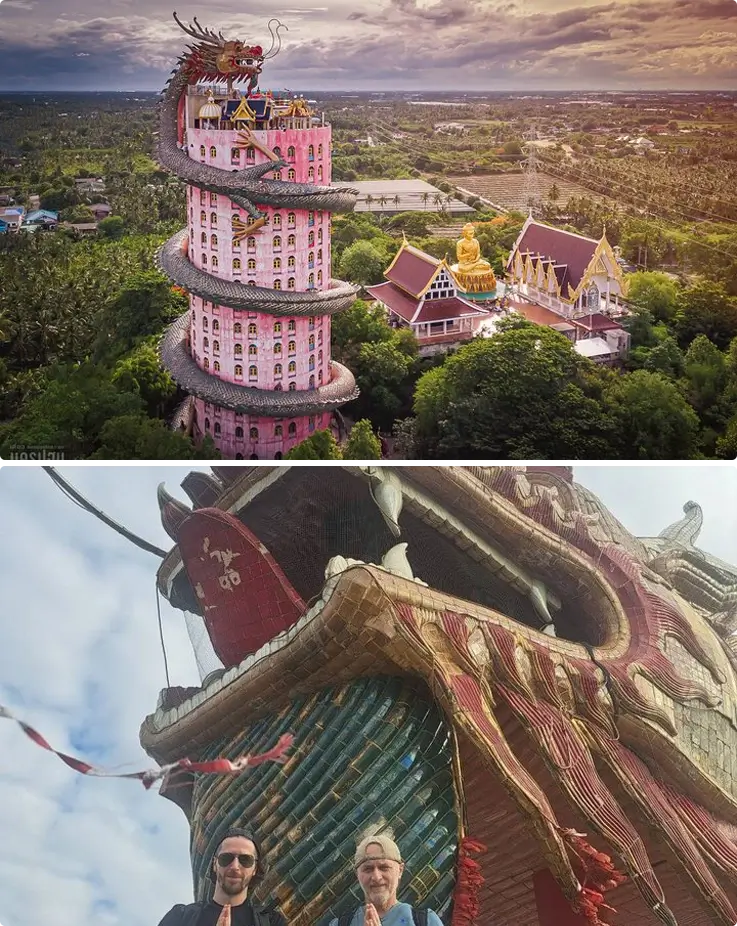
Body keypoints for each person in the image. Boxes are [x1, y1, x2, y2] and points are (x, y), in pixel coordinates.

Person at [157, 828, 286, 926]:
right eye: (226, 858)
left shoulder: (271, 922)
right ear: (215, 864)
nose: (235, 866)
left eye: (245, 860)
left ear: (255, 869)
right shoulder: (180, 917)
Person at [326, 828, 444, 926]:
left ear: (400, 870)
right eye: (368, 869)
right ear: (357, 874)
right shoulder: (340, 924)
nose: (376, 877)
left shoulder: (425, 921)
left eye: (384, 867)